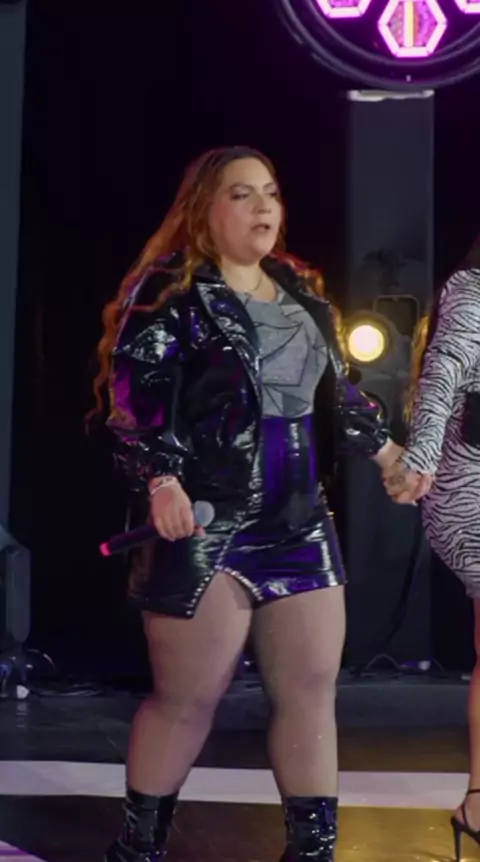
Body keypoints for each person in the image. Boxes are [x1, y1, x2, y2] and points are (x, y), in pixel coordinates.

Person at [94, 146, 401, 862]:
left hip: (300, 522)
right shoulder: (172, 296)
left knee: (311, 693)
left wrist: (387, 454)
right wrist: (162, 480)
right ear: (204, 209)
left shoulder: (300, 290)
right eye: (241, 194)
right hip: (212, 526)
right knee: (186, 700)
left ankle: (311, 852)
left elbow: (337, 391)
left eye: (270, 192)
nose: (263, 206)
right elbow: (136, 402)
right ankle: (137, 850)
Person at [383, 235, 480, 862]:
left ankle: (478, 803)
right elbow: (442, 378)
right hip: (471, 484)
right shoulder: (474, 291)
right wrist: (417, 458)